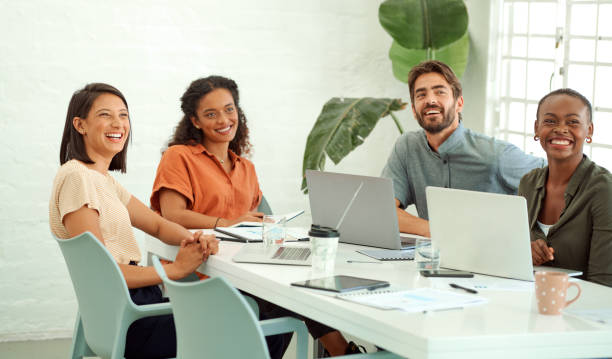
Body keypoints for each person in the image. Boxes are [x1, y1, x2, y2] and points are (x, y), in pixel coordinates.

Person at [150, 76, 365, 357]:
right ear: (195, 121)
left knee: (303, 288)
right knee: (297, 295)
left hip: (246, 268)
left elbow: (254, 223)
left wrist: (269, 227)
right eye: (210, 114)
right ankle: (343, 352)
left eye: (229, 109)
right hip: (203, 273)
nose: (223, 119)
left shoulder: (246, 168)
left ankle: (342, 352)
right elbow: (172, 214)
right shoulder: (179, 157)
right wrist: (227, 223)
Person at [49, 83, 219, 358]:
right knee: (252, 323)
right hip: (132, 318)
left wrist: (192, 238)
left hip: (129, 310)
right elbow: (102, 272)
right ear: (80, 125)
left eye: (124, 115)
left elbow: (157, 224)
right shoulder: (77, 178)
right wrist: (174, 270)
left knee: (249, 318)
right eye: (105, 115)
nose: (118, 124)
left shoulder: (100, 179)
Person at [381, 60, 545, 237]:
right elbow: (383, 209)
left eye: (440, 92)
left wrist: (537, 237)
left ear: (459, 103)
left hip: (490, 259)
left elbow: (558, 176)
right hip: (434, 260)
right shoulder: (407, 148)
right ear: (414, 110)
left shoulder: (495, 155)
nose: (430, 100)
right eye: (421, 95)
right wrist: (438, 231)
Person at [519, 88, 612, 287]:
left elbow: (604, 281)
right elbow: (515, 261)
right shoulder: (527, 183)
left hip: (584, 307)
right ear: (537, 128)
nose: (561, 129)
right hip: (532, 301)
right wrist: (527, 252)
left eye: (572, 122)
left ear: (589, 131)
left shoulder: (603, 189)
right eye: (550, 121)